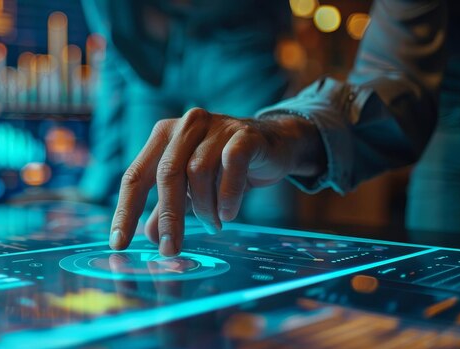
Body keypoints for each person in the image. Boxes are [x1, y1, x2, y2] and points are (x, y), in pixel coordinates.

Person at [109, 0, 460, 256]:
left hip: (243, 52)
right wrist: (277, 133)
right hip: (458, 117)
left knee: (260, 209)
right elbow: (397, 79)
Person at [78, 0, 297, 226]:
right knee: (144, 199)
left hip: (239, 51)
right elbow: (114, 48)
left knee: (262, 203)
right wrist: (96, 182)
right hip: (147, 67)